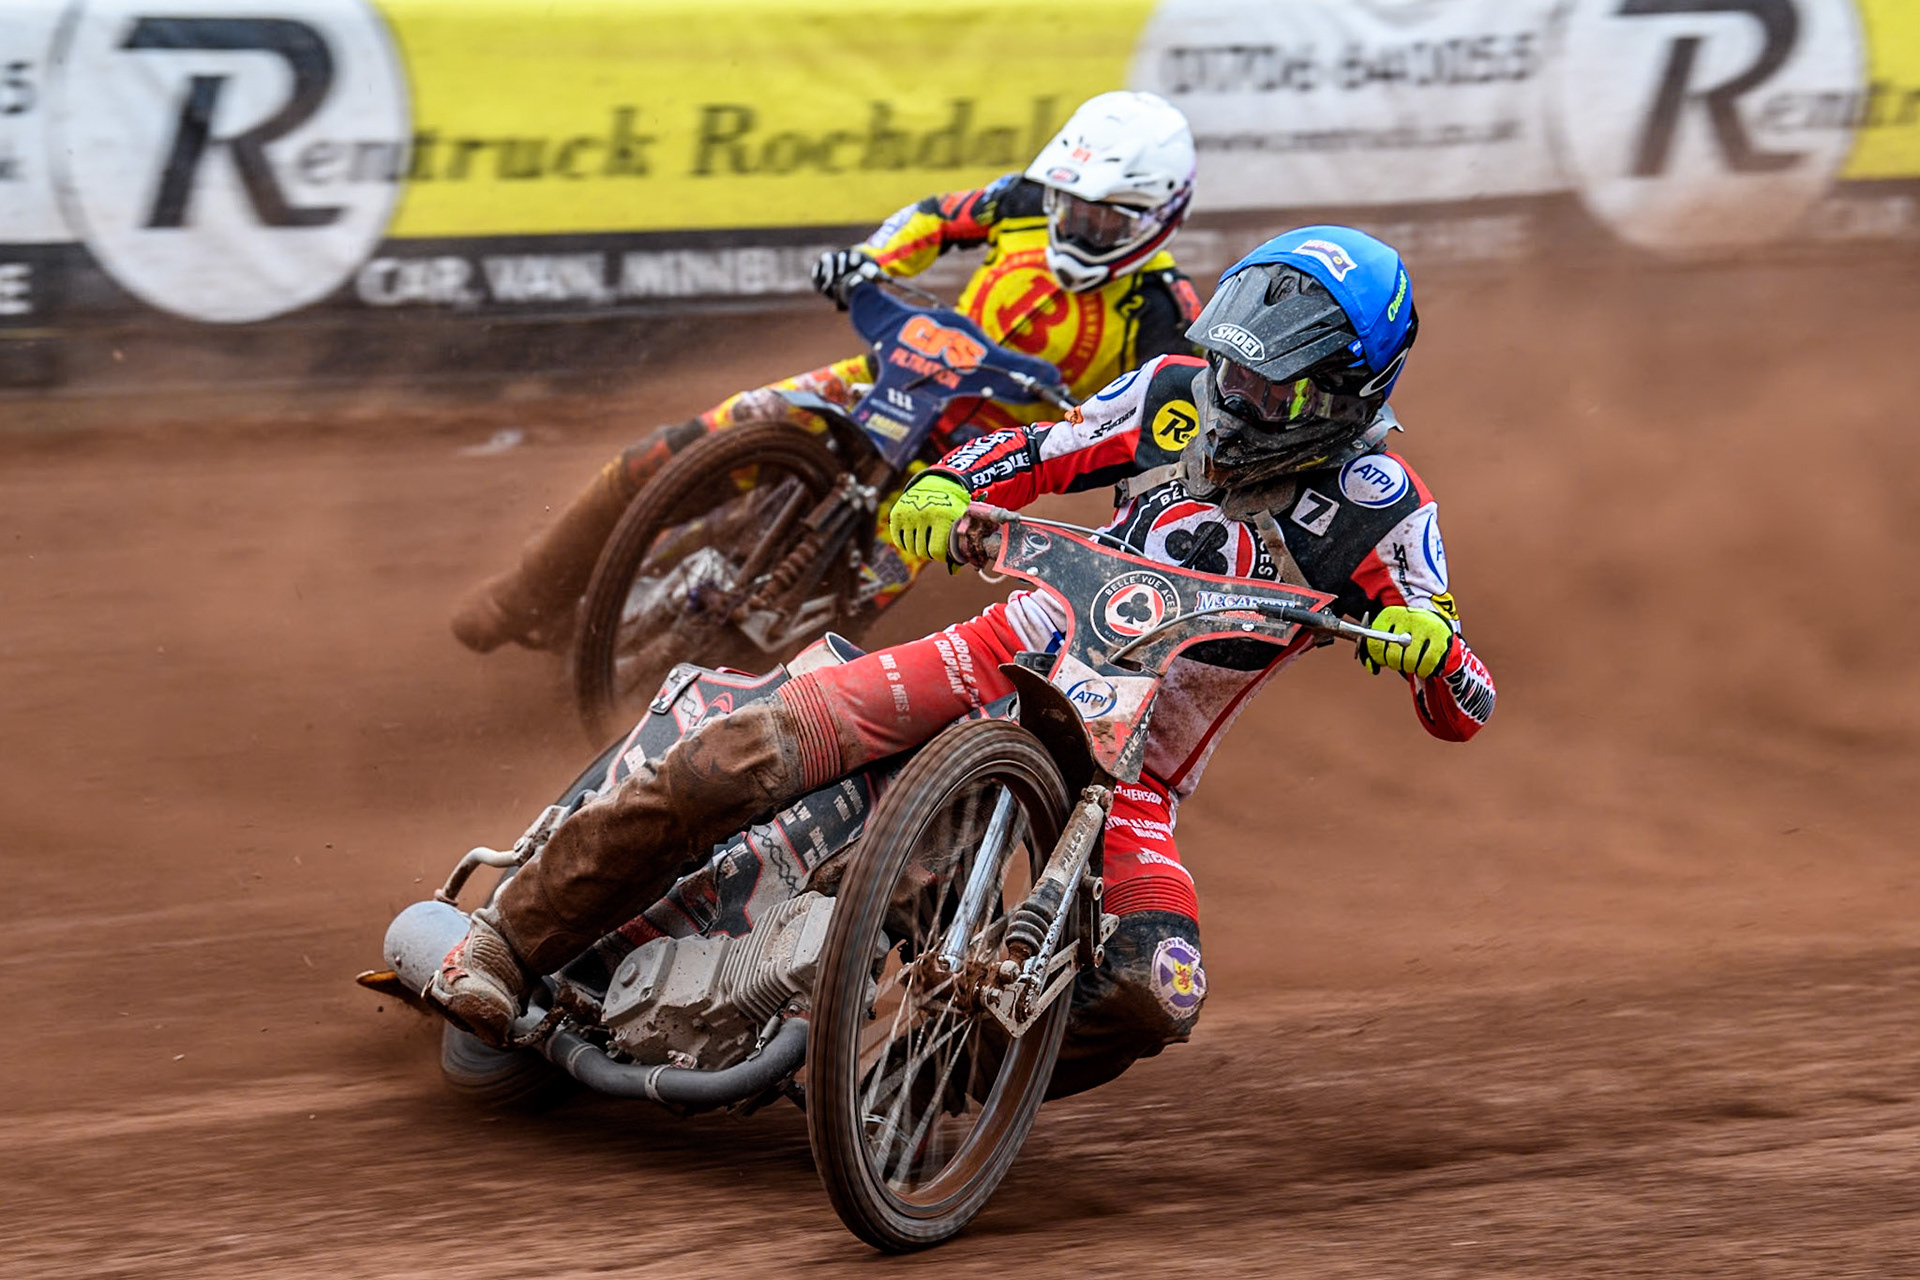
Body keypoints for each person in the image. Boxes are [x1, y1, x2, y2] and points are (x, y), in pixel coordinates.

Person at [429, 225, 1497, 1098]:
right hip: (998, 652)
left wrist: (1433, 649)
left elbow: (1467, 702)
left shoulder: (1385, 510)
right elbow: (1031, 449)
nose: (1234, 395)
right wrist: (949, 486)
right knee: (735, 755)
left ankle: (919, 1089)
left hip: (1133, 775)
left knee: (1156, 988)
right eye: (1229, 365)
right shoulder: (1173, 391)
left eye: (1268, 388)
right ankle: (501, 947)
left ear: (1346, 395)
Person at [451, 90, 1204, 652]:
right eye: (1072, 205)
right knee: (671, 451)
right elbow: (934, 216)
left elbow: (1155, 423)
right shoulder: (1023, 200)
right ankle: (524, 595)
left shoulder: (1163, 311)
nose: (1080, 224)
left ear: (1160, 216)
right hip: (887, 377)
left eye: (1107, 217)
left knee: (851, 609)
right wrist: (871, 261)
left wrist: (1089, 443)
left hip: (972, 462)